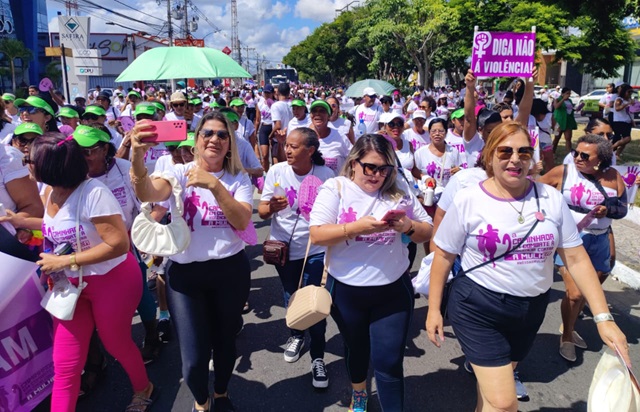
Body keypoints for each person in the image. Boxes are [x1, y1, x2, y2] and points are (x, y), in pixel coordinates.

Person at [426, 121, 630, 412]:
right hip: (478, 307)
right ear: (488, 156)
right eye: (505, 151)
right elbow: (444, 255)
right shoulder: (468, 199)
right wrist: (434, 309)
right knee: (505, 402)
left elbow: (575, 258)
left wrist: (603, 317)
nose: (515, 159)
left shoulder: (551, 199)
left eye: (524, 152)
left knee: (492, 393)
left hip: (530, 309)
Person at [129, 111, 253, 412]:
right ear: (196, 141)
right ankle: (201, 402)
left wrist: (214, 185)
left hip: (229, 271)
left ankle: (221, 395)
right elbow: (147, 191)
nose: (215, 139)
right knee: (194, 358)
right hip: (184, 276)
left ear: (230, 144)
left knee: (225, 345)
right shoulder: (179, 172)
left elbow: (242, 219)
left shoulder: (239, 178)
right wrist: (136, 156)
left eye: (222, 135)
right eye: (208, 133)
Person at [28, 132, 155, 411]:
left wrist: (65, 261)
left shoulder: (95, 193)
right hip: (71, 288)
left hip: (112, 280)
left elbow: (119, 244)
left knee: (116, 343)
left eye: (32, 160)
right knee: (66, 365)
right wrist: (21, 221)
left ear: (51, 166)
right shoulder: (49, 191)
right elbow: (59, 224)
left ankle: (142, 386)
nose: (28, 164)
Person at [309, 134, 432, 412]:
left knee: (389, 362)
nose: (377, 175)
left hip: (392, 291)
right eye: (370, 167)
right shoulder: (336, 188)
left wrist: (408, 226)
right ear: (354, 163)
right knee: (356, 349)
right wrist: (355, 228)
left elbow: (427, 230)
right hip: (346, 291)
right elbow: (317, 234)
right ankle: (360, 392)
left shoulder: (399, 188)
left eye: (384, 169)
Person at [258, 127, 335, 386]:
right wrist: (272, 207)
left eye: (294, 146)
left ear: (310, 150)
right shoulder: (277, 171)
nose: (287, 150)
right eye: (286, 145)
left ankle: (318, 358)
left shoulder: (326, 175)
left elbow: (334, 214)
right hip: (283, 249)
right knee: (291, 295)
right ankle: (296, 334)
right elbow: (262, 212)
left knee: (314, 302)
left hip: (314, 251)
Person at [540, 134, 627, 362]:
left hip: (599, 240)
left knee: (589, 291)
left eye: (585, 155)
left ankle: (568, 324)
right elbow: (535, 190)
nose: (577, 158)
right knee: (575, 293)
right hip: (570, 240)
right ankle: (567, 337)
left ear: (601, 159)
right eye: (576, 153)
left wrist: (607, 210)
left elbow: (623, 209)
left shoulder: (613, 176)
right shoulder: (564, 172)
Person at [309, 100, 352, 174]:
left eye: (322, 111)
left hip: (335, 184)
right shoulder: (305, 137)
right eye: (314, 111)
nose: (317, 114)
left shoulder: (340, 136)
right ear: (311, 115)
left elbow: (353, 157)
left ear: (329, 116)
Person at [611, 83, 634, 158]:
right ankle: (611, 148)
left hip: (627, 121)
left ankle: (617, 154)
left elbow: (630, 111)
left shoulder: (630, 100)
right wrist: (626, 104)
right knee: (627, 138)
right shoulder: (619, 99)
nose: (630, 94)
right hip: (619, 121)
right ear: (624, 91)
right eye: (628, 92)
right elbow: (617, 109)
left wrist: (632, 120)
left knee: (624, 141)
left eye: (631, 92)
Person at [552, 87, 578, 153]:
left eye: (569, 93)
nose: (568, 95)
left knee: (568, 138)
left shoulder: (570, 101)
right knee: (556, 138)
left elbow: (570, 109)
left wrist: (576, 109)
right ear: (562, 93)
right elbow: (556, 107)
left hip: (568, 121)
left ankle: (569, 154)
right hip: (558, 122)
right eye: (567, 93)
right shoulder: (557, 99)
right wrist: (563, 99)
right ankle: (552, 152)